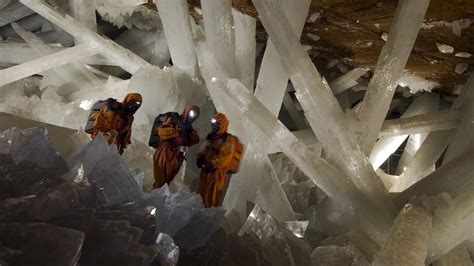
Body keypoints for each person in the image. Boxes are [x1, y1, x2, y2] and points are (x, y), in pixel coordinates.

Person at [196, 113, 243, 207]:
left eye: (215, 124)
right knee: (201, 197)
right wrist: (201, 158)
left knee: (211, 199)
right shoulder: (213, 138)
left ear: (221, 124)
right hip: (206, 172)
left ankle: (208, 218)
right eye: (212, 124)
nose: (213, 126)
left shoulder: (229, 140)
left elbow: (226, 157)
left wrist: (213, 164)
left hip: (217, 174)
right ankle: (199, 216)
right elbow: (207, 150)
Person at [149, 105, 200, 189]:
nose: (192, 116)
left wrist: (189, 137)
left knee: (167, 182)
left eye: (195, 115)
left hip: (177, 156)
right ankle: (153, 199)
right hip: (165, 151)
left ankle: (159, 198)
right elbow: (161, 131)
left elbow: (193, 140)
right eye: (191, 113)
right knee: (160, 181)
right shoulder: (174, 119)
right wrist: (176, 132)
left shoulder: (189, 129)